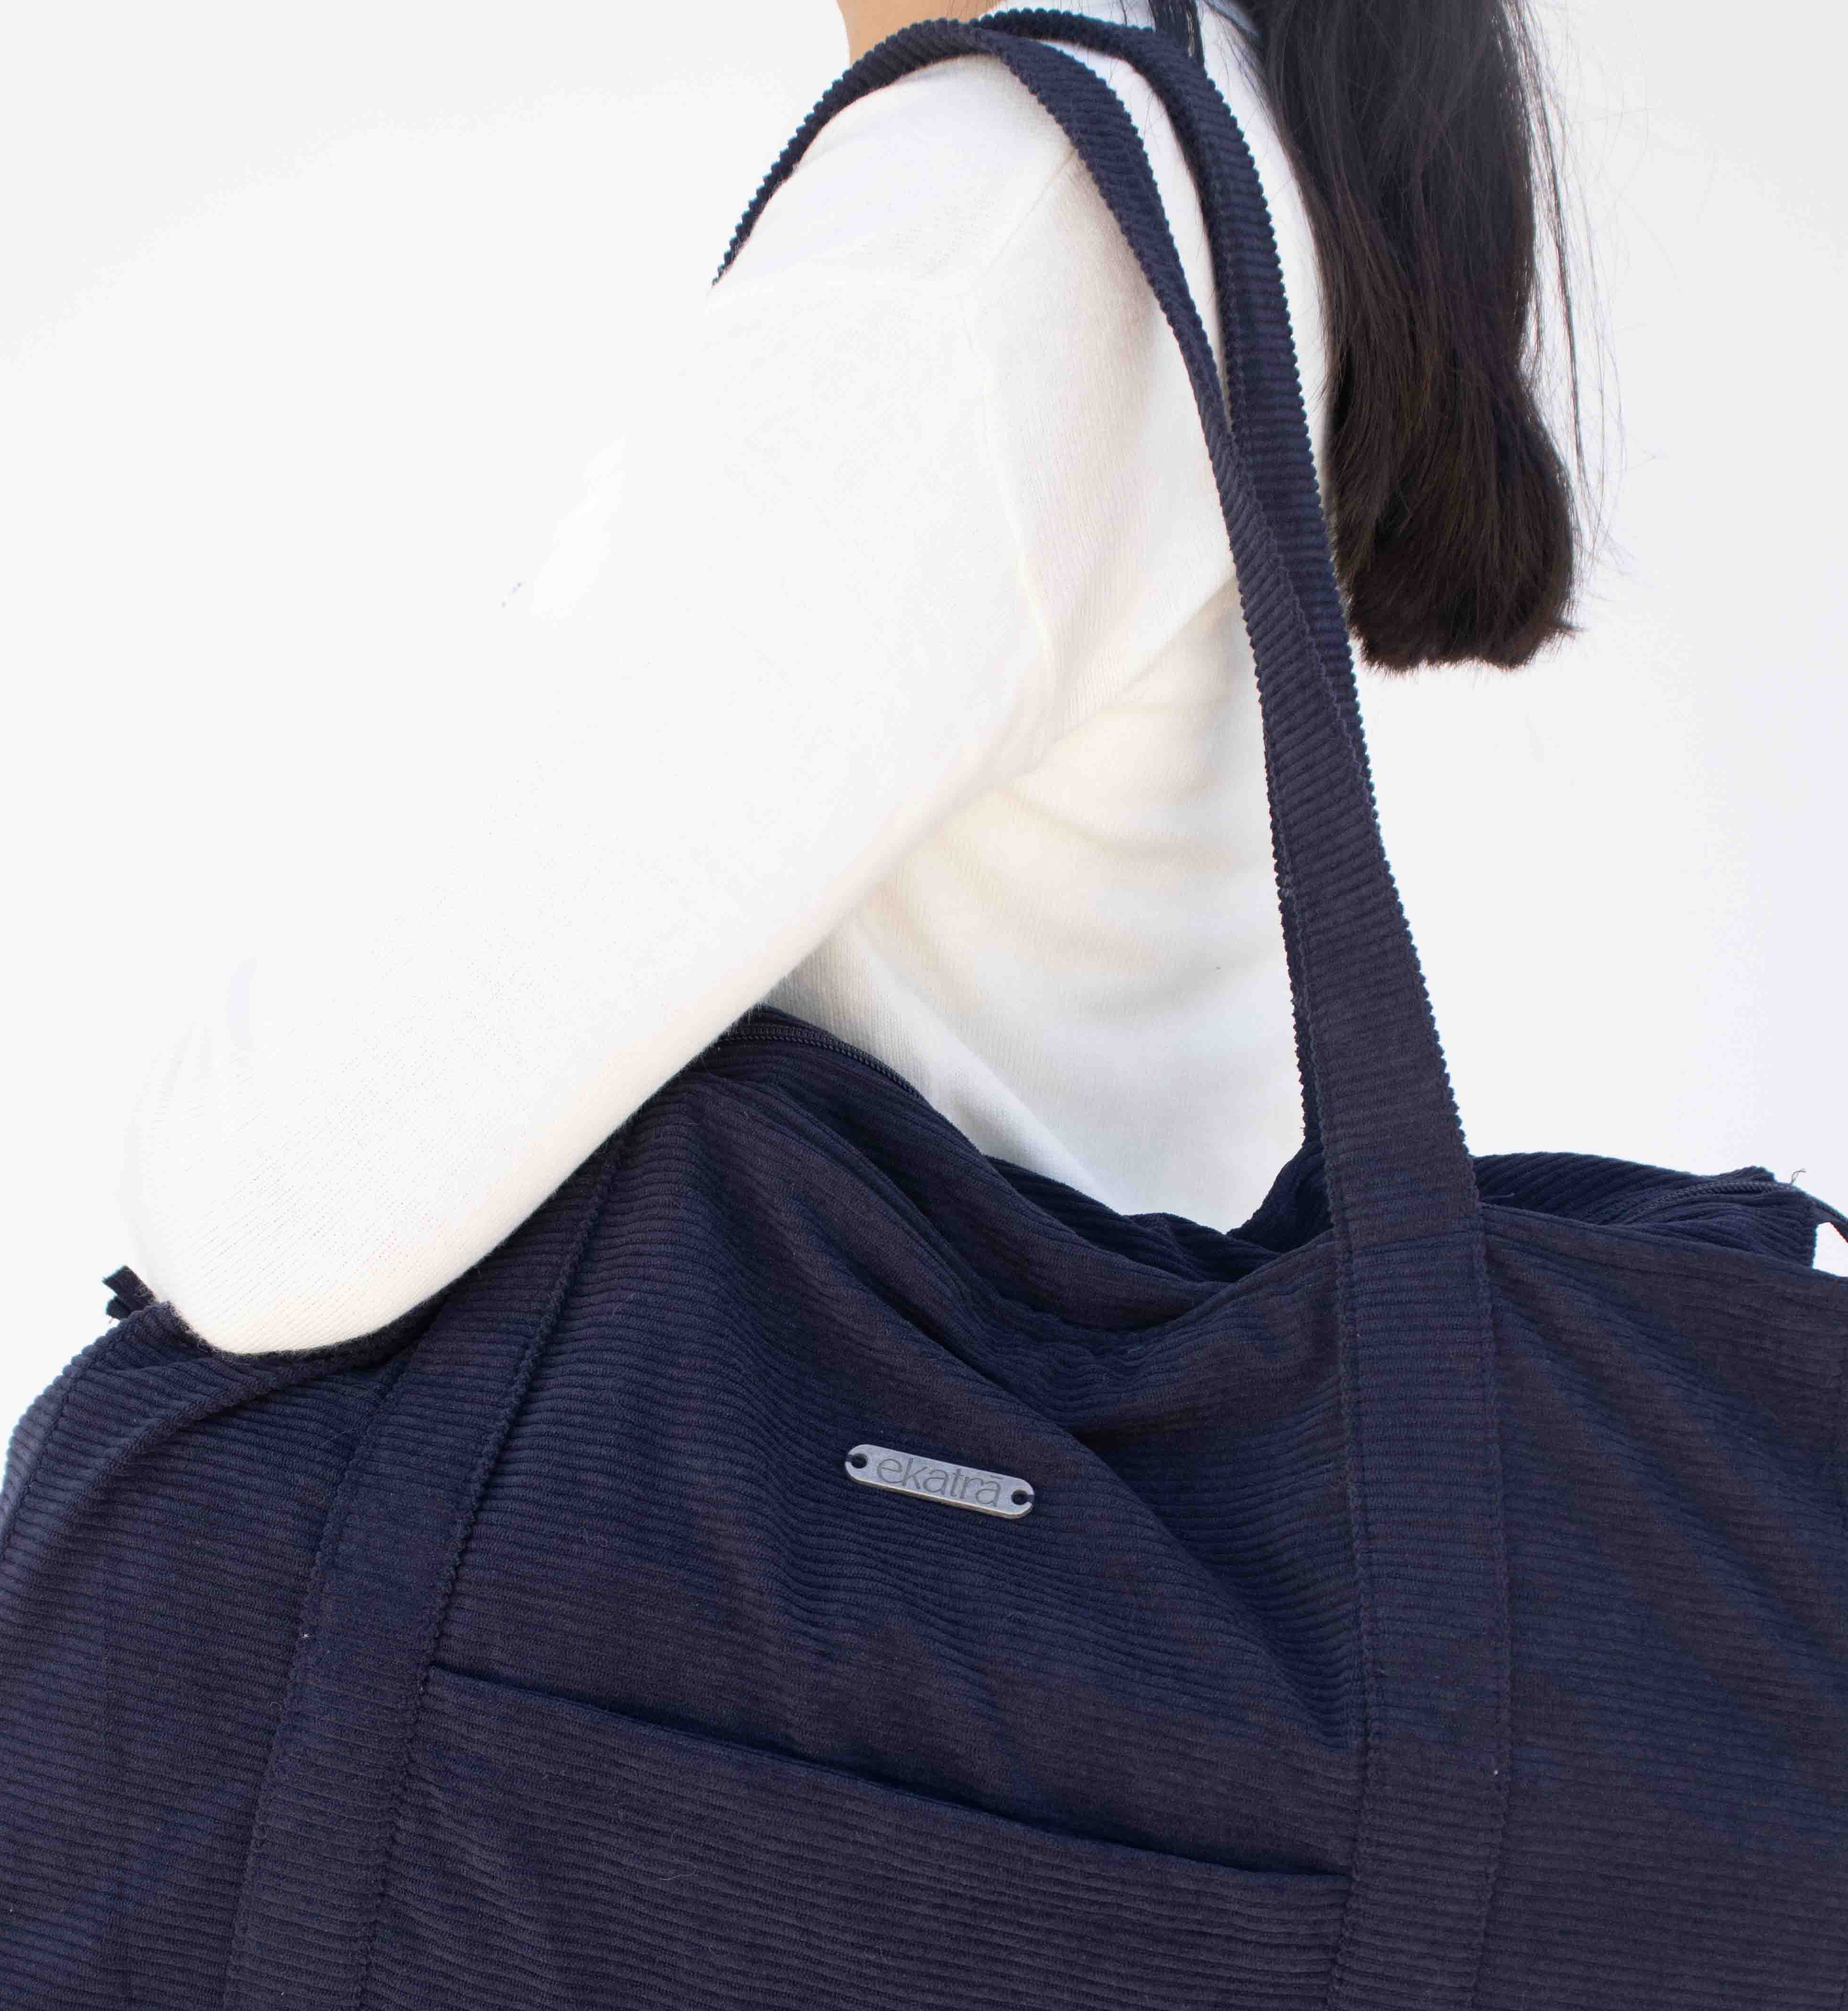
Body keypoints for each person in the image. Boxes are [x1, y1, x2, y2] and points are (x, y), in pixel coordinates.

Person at [114, 0, 1589, 1357]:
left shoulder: (1000, 207)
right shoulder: (1193, 135)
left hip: (866, 1504)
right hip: (1012, 1482)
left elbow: (275, 1205)